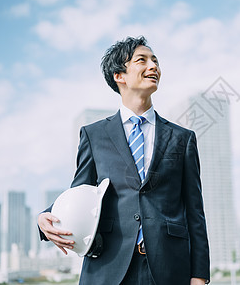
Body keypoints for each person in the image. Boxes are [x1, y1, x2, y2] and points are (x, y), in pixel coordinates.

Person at [37, 36, 210, 285]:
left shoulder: (182, 138)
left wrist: (200, 275)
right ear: (120, 76)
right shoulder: (94, 135)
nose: (153, 67)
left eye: (155, 61)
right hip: (108, 266)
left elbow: (195, 212)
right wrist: (47, 215)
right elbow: (81, 191)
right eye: (142, 60)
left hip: (170, 269)